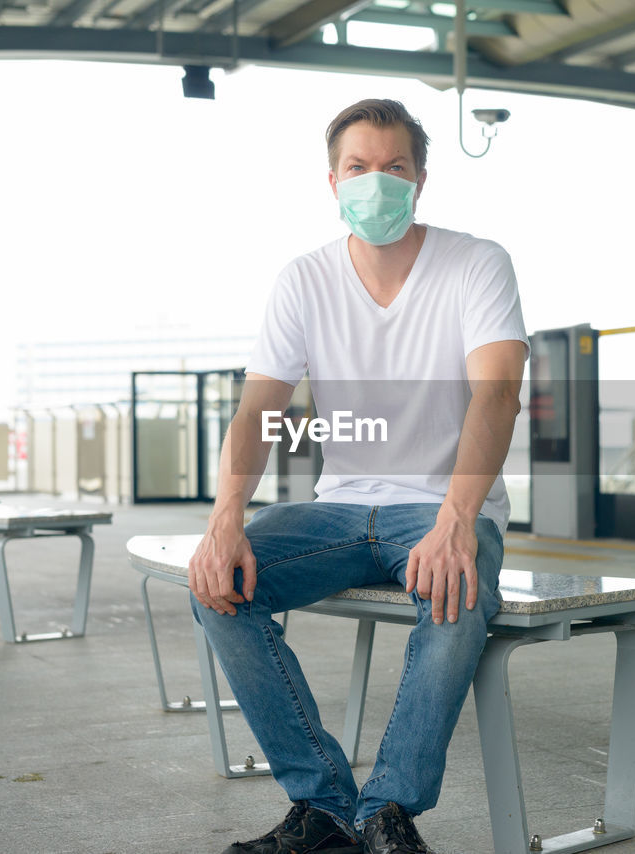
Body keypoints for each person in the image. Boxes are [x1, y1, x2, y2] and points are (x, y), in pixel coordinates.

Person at [188, 98, 528, 854]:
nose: (377, 182)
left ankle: (388, 813)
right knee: (216, 584)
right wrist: (225, 521)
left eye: (394, 168)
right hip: (341, 511)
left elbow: (497, 391)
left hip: (444, 506)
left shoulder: (476, 263)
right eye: (359, 168)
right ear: (333, 182)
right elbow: (257, 411)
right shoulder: (303, 280)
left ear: (421, 179)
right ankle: (326, 808)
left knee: (456, 583)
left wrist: (453, 522)